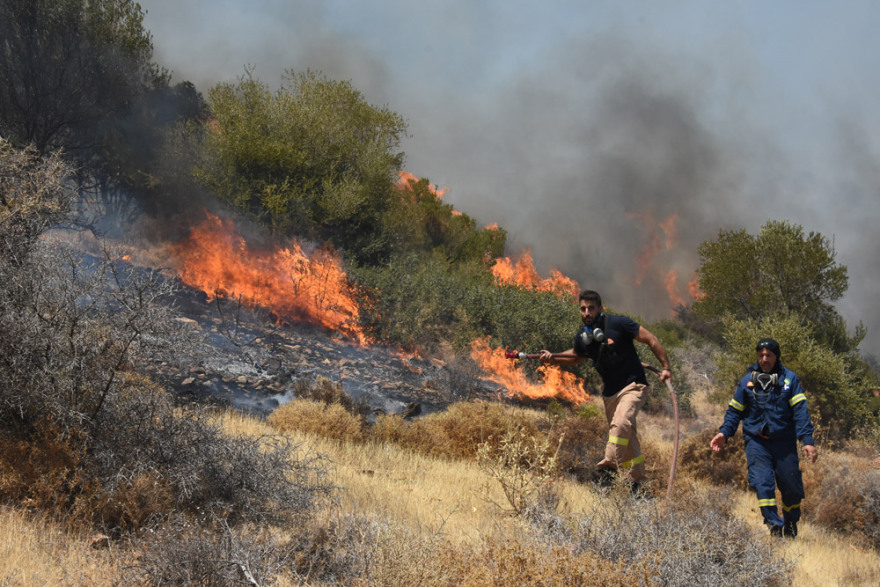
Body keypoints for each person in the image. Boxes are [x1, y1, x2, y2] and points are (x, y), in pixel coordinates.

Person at [539, 289, 672, 491]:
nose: (586, 313)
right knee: (627, 441)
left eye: (591, 308)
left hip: (633, 386)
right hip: (610, 394)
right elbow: (575, 356)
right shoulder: (583, 336)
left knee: (620, 424)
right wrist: (553, 357)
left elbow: (651, 339)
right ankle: (638, 485)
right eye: (583, 309)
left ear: (601, 309)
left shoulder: (619, 324)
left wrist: (666, 368)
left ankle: (607, 470)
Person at [710, 338, 818, 539]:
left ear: (777, 356)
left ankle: (791, 521)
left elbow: (801, 412)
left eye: (768, 355)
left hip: (784, 444)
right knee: (762, 483)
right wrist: (725, 432)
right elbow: (735, 411)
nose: (764, 359)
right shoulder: (747, 382)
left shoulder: (790, 380)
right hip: (757, 443)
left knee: (792, 488)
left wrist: (808, 441)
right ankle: (774, 526)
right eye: (761, 355)